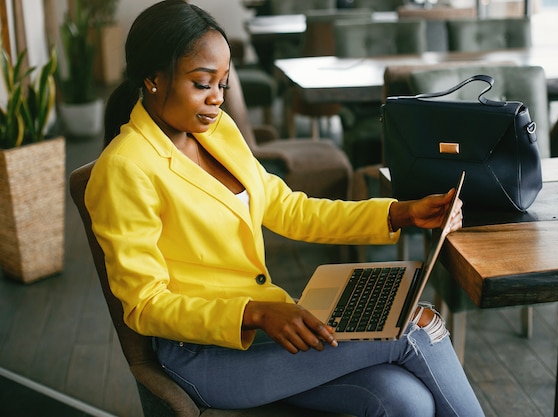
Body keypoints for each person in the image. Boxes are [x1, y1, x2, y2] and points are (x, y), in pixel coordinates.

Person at [85, 1, 485, 416]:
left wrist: (398, 213)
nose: (217, 99)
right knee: (415, 327)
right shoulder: (126, 168)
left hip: (266, 330)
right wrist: (255, 312)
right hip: (204, 355)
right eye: (202, 84)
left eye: (223, 84)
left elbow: (290, 209)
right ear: (152, 79)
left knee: (406, 402)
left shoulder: (216, 131)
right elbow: (145, 305)